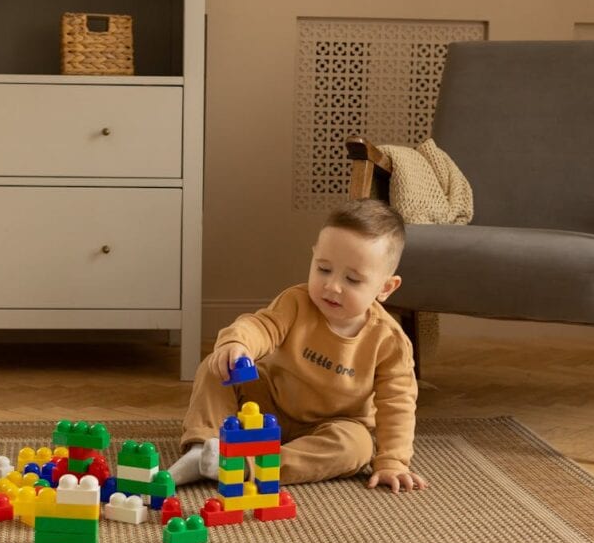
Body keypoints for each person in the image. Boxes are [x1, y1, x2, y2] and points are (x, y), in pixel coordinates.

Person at [168, 198, 428, 493]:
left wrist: (393, 461)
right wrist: (238, 343)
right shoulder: (296, 302)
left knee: (356, 446)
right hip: (270, 405)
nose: (332, 286)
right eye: (324, 269)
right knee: (218, 366)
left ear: (385, 288)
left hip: (331, 425)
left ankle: (248, 466)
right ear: (313, 257)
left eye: (352, 279)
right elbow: (261, 326)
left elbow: (397, 403)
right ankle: (204, 446)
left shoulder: (389, 341)